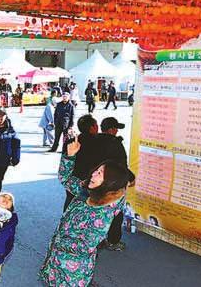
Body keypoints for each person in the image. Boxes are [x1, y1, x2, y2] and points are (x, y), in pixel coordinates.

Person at [39, 145, 132, 287]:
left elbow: (85, 246)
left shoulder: (102, 213)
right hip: (56, 258)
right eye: (97, 170)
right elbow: (65, 179)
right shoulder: (89, 191)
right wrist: (69, 156)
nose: (94, 174)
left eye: (100, 174)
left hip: (72, 268)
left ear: (110, 183)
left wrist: (60, 241)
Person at [75, 117, 132, 251]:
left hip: (89, 183)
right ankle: (113, 241)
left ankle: (92, 239)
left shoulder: (94, 140)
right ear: (112, 129)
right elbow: (121, 166)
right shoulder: (114, 143)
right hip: (108, 185)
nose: (117, 130)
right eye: (116, 128)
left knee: (87, 209)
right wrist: (130, 177)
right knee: (115, 214)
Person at [63, 114, 99, 211]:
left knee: (70, 205)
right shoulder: (99, 142)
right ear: (92, 128)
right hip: (90, 184)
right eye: (96, 125)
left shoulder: (71, 142)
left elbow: (64, 168)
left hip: (71, 182)